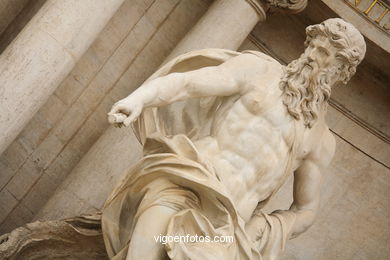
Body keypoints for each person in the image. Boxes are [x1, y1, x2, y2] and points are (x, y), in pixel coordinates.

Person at [102, 18, 366, 260]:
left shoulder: (321, 140)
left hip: (228, 227)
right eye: (311, 46)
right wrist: (138, 99)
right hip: (186, 187)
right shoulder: (259, 70)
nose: (310, 56)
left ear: (341, 72)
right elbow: (186, 84)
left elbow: (306, 210)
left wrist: (264, 227)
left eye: (323, 54)